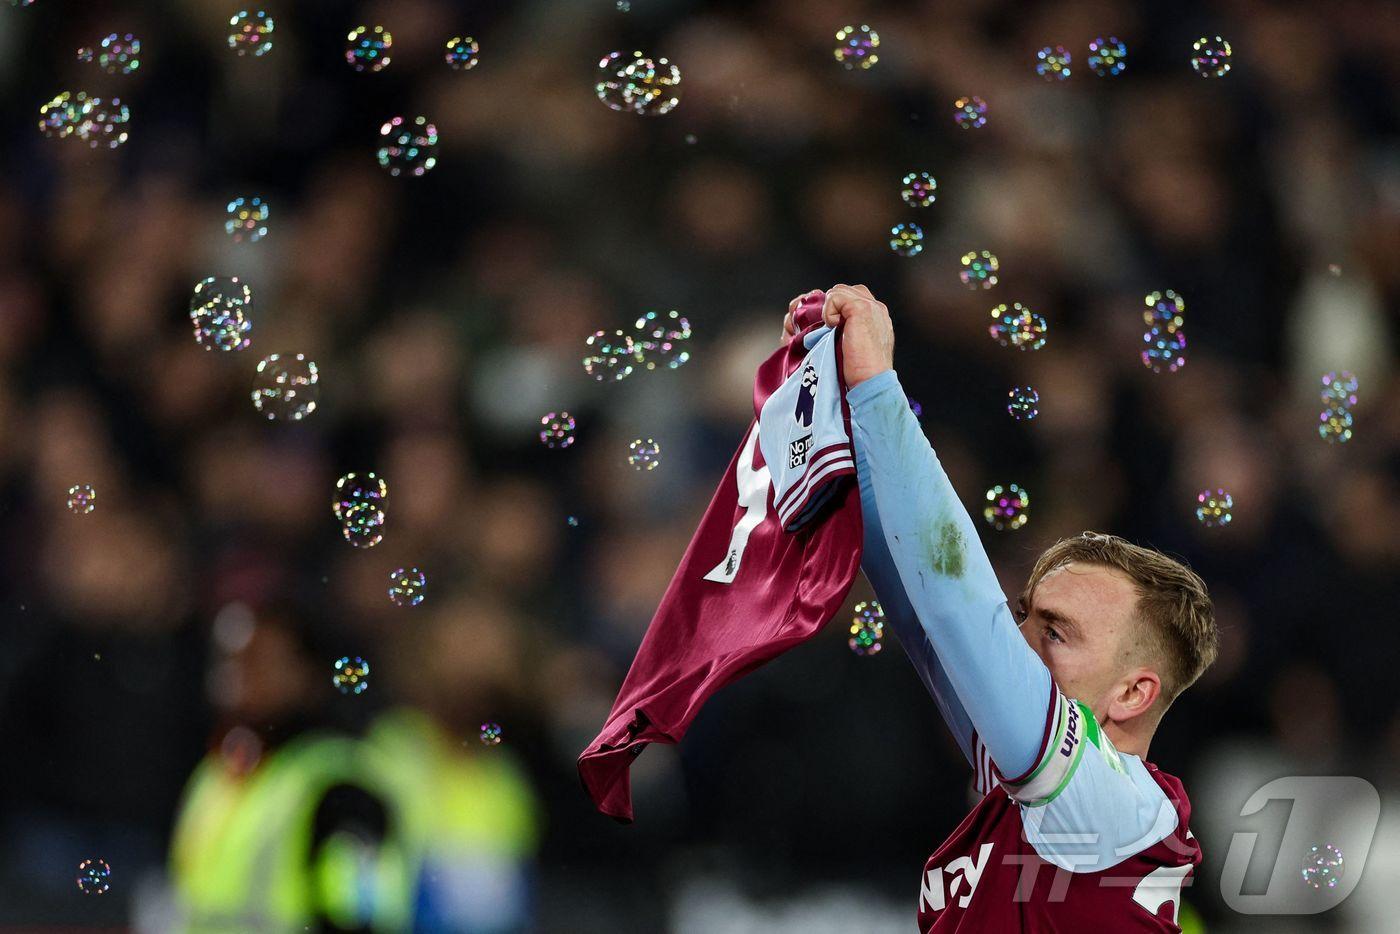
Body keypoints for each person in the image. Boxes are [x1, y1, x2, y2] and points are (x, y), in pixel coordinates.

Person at [784, 285, 1219, 931]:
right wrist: (829, 405)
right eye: (1024, 615)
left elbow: (960, 609)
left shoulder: (1106, 803)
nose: (1016, 639)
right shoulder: (1027, 780)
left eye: (1057, 633)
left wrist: (878, 385)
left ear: (1132, 693)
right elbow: (918, 607)